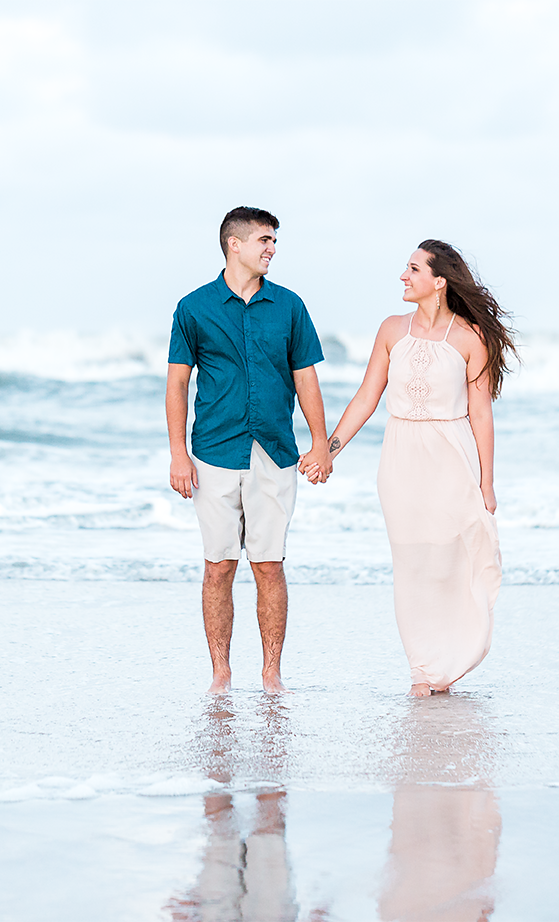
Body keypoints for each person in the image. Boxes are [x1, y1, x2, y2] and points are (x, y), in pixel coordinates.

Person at [302, 240, 517, 696]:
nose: (403, 276)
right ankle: (424, 669)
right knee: (412, 565)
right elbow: (366, 397)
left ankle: (449, 658)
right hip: (400, 460)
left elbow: (481, 413)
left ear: (439, 282)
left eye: (413, 269)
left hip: (450, 456)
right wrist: (329, 450)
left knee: (448, 560)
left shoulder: (469, 337)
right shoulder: (391, 331)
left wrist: (487, 482)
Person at [167, 206, 331, 695]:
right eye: (264, 240)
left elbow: (306, 377)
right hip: (213, 451)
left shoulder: (290, 306)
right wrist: (178, 453)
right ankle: (221, 674)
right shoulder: (193, 307)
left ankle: (271, 675)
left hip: (275, 450)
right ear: (233, 244)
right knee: (218, 566)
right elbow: (178, 384)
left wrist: (320, 442)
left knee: (269, 564)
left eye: (274, 241)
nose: (271, 249)